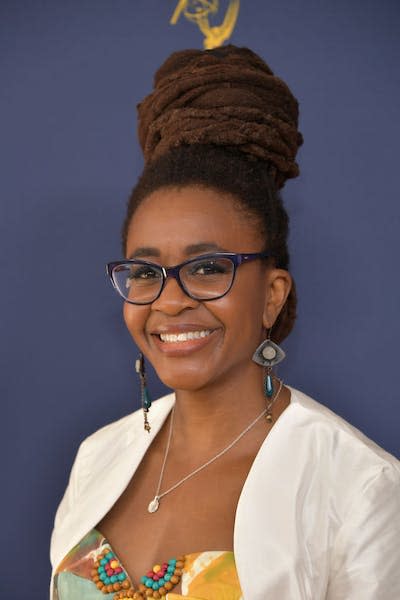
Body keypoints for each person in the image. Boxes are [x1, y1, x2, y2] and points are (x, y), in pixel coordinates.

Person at [50, 46, 400, 600]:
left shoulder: (360, 487)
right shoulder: (98, 456)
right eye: (145, 271)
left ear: (272, 295)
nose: (169, 301)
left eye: (208, 268)